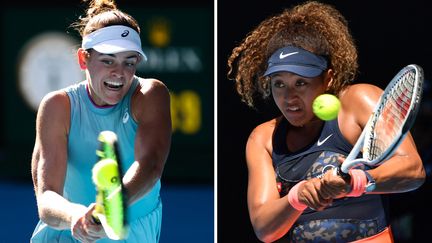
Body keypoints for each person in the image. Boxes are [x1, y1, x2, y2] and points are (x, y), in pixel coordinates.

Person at [227, 1, 425, 242]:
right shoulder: (263, 138)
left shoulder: (359, 101)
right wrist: (297, 196)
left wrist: (355, 182)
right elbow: (264, 228)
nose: (289, 97)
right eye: (279, 83)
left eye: (301, 82)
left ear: (328, 78)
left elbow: (414, 170)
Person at [30, 0, 171, 242]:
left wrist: (113, 205)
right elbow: (47, 199)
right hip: (68, 230)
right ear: (84, 59)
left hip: (130, 233)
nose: (120, 72)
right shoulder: (57, 106)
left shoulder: (150, 94)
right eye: (108, 60)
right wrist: (77, 217)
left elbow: (151, 164)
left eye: (129, 61)